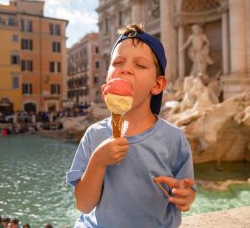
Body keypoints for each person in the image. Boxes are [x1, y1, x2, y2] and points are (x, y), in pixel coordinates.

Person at [66, 23, 196, 227]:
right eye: (118, 62)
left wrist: (184, 194)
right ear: (106, 85)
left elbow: (186, 192)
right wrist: (97, 161)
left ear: (157, 85)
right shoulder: (94, 135)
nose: (126, 69)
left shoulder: (174, 139)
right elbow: (83, 205)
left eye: (140, 65)